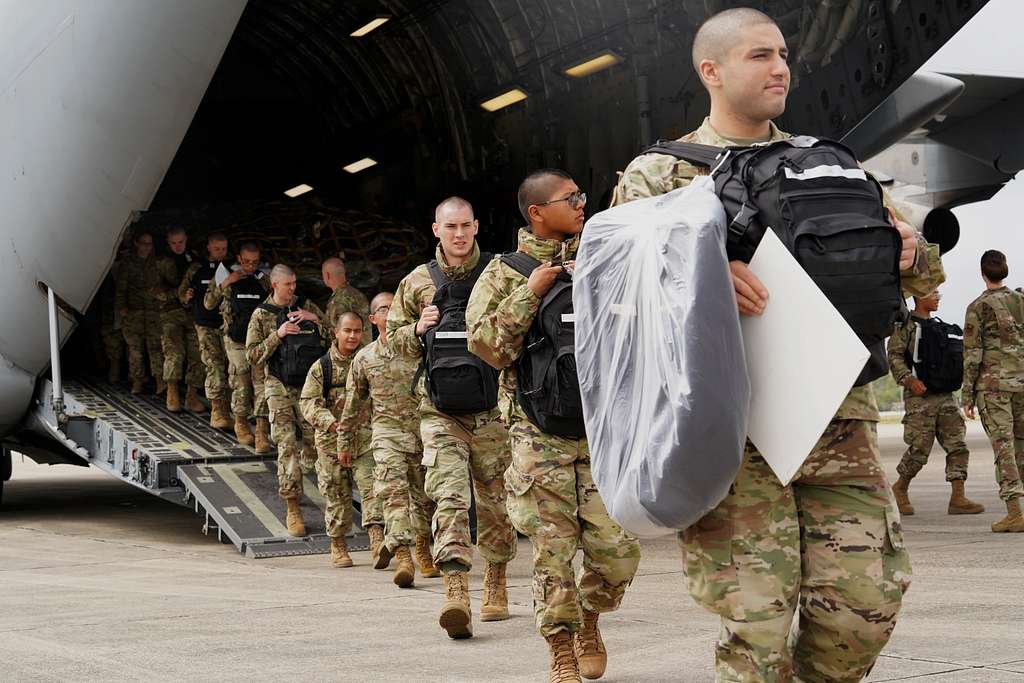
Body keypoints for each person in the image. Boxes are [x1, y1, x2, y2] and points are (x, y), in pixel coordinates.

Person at [611, 8, 945, 680]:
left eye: (784, 54)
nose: (781, 67)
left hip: (836, 424)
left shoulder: (825, 164)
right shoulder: (658, 175)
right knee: (758, 624)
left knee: (863, 608)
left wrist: (908, 251)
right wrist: (701, 275)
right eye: (760, 55)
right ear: (712, 70)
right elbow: (615, 303)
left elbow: (923, 277)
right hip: (732, 440)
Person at [467, 169, 641, 683]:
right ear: (538, 214)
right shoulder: (504, 272)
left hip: (601, 430)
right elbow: (486, 349)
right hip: (538, 435)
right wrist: (529, 292)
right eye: (571, 199)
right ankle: (561, 646)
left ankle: (590, 616)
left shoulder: (602, 256)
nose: (583, 203)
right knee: (553, 552)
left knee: (617, 553)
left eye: (583, 196)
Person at [386, 196, 516, 640]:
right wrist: (417, 329)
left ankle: (495, 578)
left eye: (465, 225)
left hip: (493, 410)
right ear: (436, 229)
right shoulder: (417, 282)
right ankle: (456, 587)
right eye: (450, 226)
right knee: (449, 496)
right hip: (439, 411)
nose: (459, 234)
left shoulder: (500, 275)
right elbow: (391, 345)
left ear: (476, 226)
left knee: (496, 502)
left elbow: (524, 331)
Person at [339, 292, 438, 587]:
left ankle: (422, 544)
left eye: (395, 306)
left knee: (424, 499)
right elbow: (353, 404)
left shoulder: (419, 348)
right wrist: (345, 442)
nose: (391, 311)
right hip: (386, 434)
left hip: (421, 432)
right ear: (373, 319)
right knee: (392, 493)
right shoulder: (365, 358)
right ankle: (403, 555)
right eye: (384, 308)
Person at [246, 264, 326, 537]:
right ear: (274, 285)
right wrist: (277, 336)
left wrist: (315, 319)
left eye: (294, 283)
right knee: (286, 446)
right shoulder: (261, 315)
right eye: (287, 284)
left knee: (316, 443)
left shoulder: (305, 306)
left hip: (308, 387)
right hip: (278, 386)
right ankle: (293, 505)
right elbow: (253, 356)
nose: (292, 289)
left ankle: (314, 484)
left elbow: (334, 337)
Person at [888, 289, 984, 515]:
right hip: (920, 399)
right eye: (933, 293)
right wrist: (909, 380)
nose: (938, 297)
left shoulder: (940, 327)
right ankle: (900, 488)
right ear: (920, 296)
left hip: (945, 396)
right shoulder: (906, 326)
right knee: (920, 448)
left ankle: (958, 497)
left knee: (957, 445)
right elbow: (894, 356)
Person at [299, 311, 383, 568]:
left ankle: (377, 541)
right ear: (336, 332)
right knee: (337, 495)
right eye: (347, 330)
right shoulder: (322, 367)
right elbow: (308, 403)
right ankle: (338, 544)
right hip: (330, 443)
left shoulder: (369, 361)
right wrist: (332, 424)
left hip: (364, 440)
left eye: (357, 331)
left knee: (372, 490)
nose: (352, 336)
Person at [962, 250, 1024, 533]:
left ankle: (1014, 513)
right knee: (1021, 445)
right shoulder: (1020, 300)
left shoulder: (978, 306)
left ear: (982, 273)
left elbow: (973, 353)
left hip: (994, 386)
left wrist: (967, 395)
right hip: (1021, 383)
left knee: (1005, 448)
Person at [204, 242, 271, 451]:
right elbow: (208, 303)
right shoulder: (227, 277)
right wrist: (225, 283)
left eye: (255, 262)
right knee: (241, 380)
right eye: (246, 262)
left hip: (258, 341)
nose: (250, 266)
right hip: (236, 340)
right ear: (239, 260)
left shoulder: (262, 281)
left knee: (261, 385)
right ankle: (241, 423)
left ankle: (261, 431)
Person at [180, 232, 232, 430]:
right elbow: (181, 293)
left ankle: (229, 409)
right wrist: (186, 295)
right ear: (209, 247)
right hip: (204, 324)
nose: (221, 252)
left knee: (229, 368)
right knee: (214, 366)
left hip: (226, 325)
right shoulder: (196, 269)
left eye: (224, 249)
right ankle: (217, 411)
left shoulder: (231, 269)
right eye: (217, 248)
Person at [155, 227, 204, 413]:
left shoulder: (194, 259)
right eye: (174, 243)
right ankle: (172, 392)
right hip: (169, 312)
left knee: (196, 354)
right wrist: (179, 293)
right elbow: (155, 290)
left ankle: (191, 395)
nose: (178, 246)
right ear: (168, 242)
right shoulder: (160, 262)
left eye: (181, 242)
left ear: (186, 240)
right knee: (174, 353)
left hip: (192, 312)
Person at [115, 231, 165, 395]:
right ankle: (137, 381)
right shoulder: (128, 263)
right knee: (135, 350)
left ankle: (160, 381)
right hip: (134, 311)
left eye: (149, 244)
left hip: (153, 312)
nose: (146, 247)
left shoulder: (157, 262)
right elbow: (121, 288)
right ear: (136, 243)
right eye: (143, 243)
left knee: (155, 348)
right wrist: (122, 308)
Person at [322, 257, 371, 344]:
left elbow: (338, 332)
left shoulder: (339, 299)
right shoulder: (355, 293)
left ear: (327, 275)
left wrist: (316, 320)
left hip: (351, 353)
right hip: (363, 349)